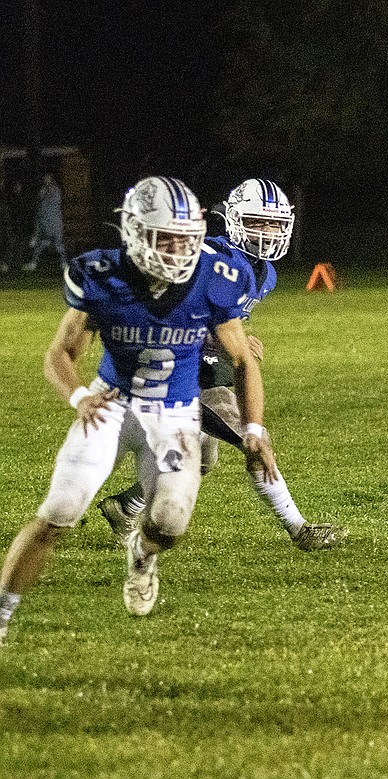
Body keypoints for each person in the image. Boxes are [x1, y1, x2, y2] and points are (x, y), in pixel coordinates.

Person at [0, 176, 276, 645]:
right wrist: (79, 397)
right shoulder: (102, 276)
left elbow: (243, 359)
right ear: (133, 232)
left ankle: (142, 554)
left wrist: (254, 429)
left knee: (169, 523)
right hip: (111, 405)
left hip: (175, 413)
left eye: (185, 237)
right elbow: (59, 354)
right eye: (164, 236)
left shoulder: (215, 277)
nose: (176, 248)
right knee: (59, 511)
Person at [98, 179, 344, 551]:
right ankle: (300, 529)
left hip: (198, 364)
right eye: (258, 222)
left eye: (275, 224)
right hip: (164, 366)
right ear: (232, 220)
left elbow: (220, 317)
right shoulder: (212, 257)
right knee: (253, 437)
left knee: (203, 458)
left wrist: (231, 337)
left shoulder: (265, 273)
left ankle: (124, 506)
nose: (268, 232)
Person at [26, 171, 66, 271]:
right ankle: (33, 263)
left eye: (48, 178)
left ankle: (64, 263)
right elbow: (40, 208)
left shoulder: (55, 190)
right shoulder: (42, 191)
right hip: (45, 223)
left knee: (59, 245)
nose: (46, 180)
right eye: (45, 178)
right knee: (39, 246)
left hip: (54, 223)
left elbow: (54, 204)